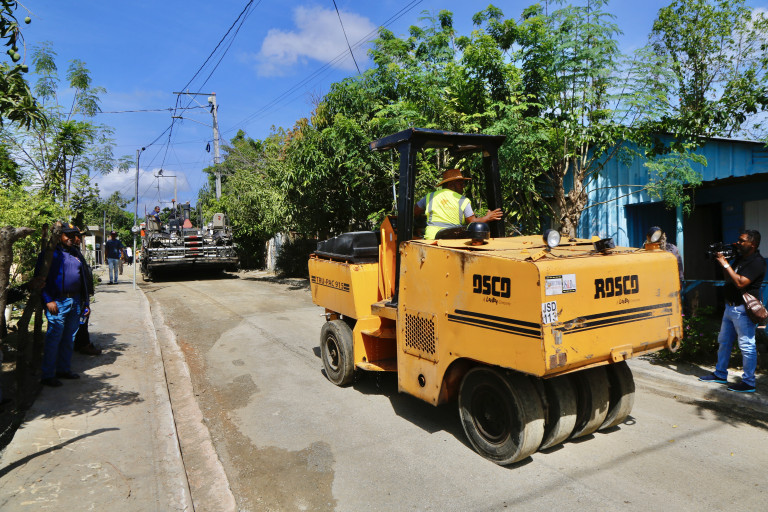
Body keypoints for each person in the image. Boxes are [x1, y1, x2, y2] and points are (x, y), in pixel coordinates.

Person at [699, 229, 765, 393]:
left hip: (743, 310)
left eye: (742, 241)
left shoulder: (757, 262)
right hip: (730, 307)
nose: (738, 243)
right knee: (724, 342)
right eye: (738, 240)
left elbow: (741, 283)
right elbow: (729, 277)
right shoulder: (740, 259)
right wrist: (725, 263)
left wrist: (725, 264)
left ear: (753, 244)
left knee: (747, 346)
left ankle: (748, 382)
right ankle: (720, 374)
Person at [34, 222, 92, 387]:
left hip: (75, 301)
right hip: (57, 302)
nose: (71, 238)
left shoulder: (75, 253)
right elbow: (39, 279)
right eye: (68, 235)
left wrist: (86, 303)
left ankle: (63, 369)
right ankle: (48, 375)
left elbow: (83, 280)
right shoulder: (49, 254)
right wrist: (48, 300)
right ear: (59, 236)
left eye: (74, 235)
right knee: (54, 338)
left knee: (69, 338)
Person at [414, 169, 503, 240]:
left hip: (431, 239)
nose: (463, 186)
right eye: (461, 183)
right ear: (451, 184)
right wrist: (488, 217)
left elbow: (414, 212)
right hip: (453, 240)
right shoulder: (463, 200)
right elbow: (472, 222)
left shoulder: (430, 196)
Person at [72, 228, 101, 356]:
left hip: (82, 294)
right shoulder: (70, 252)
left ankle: (81, 343)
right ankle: (83, 344)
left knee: (83, 319)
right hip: (77, 295)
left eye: (80, 236)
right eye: (77, 236)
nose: (79, 239)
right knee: (81, 320)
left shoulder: (76, 251)